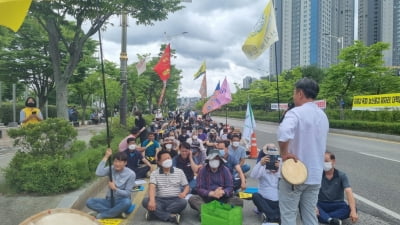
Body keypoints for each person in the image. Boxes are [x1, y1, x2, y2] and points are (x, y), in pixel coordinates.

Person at [277, 77, 329, 225]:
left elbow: (283, 134)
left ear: (300, 93)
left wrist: (284, 153)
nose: (293, 96)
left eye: (294, 92)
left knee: (288, 216)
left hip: (294, 175)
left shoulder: (295, 113)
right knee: (310, 216)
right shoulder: (323, 116)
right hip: (315, 175)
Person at [188, 149, 243, 215]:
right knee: (193, 199)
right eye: (213, 159)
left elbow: (230, 187)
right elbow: (199, 188)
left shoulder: (225, 170)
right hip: (207, 198)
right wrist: (211, 193)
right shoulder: (203, 170)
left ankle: (208, 213)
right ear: (209, 160)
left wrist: (223, 192)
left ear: (220, 161)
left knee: (238, 201)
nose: (215, 161)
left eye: (216, 159)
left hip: (222, 197)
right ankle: (220, 213)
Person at [142, 150, 189, 224]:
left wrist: (184, 193)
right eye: (164, 159)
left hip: (175, 199)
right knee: (145, 201)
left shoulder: (179, 171)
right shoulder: (155, 173)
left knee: (183, 202)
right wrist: (152, 200)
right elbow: (152, 187)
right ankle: (170, 216)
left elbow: (186, 186)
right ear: (159, 162)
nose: (168, 160)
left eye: (169, 158)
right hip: (160, 200)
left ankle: (154, 213)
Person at [86, 149, 136, 219]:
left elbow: (127, 193)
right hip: (109, 200)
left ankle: (102, 215)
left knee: (127, 202)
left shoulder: (131, 174)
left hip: (121, 201)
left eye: (120, 162)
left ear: (125, 163)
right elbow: (98, 172)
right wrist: (106, 156)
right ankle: (115, 213)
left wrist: (115, 189)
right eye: (115, 161)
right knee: (89, 202)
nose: (117, 164)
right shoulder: (111, 168)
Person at [316, 152, 358, 225]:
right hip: (321, 203)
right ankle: (332, 220)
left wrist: (353, 211)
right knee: (310, 207)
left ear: (333, 161)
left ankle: (326, 218)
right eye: (322, 161)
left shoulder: (341, 175)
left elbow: (348, 191)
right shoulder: (318, 175)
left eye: (326, 161)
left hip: (337, 204)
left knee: (352, 209)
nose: (324, 163)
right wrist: (314, 207)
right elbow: (309, 192)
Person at [250, 148, 281, 224]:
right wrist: (260, 163)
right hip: (265, 200)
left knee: (291, 199)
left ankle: (271, 217)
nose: (273, 162)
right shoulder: (263, 168)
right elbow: (253, 176)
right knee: (255, 196)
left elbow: (289, 180)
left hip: (279, 201)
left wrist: (280, 168)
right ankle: (275, 217)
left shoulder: (281, 167)